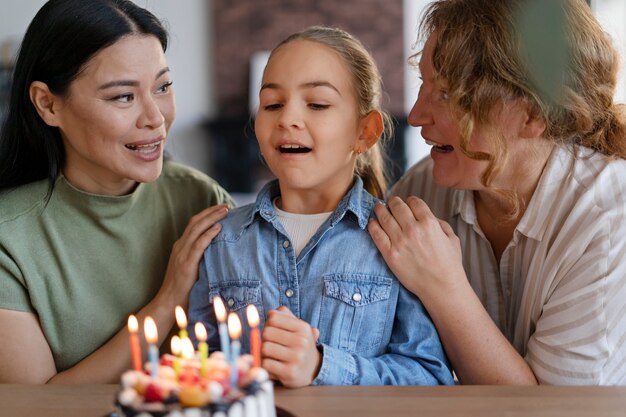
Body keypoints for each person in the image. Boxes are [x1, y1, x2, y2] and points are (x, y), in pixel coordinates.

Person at [368, 0, 626, 385]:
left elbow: (551, 412)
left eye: (449, 95)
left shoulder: (608, 218)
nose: (417, 115)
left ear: (535, 114)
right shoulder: (423, 192)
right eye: (425, 85)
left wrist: (444, 287)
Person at [188, 26, 453, 387]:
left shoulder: (398, 242)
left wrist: (321, 366)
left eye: (317, 104)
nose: (287, 119)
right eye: (273, 104)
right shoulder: (221, 241)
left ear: (365, 132)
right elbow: (191, 366)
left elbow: (432, 379)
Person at [0, 0, 233, 383]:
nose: (155, 118)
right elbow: (37, 407)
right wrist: (167, 300)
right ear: (48, 104)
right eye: (123, 96)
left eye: (163, 87)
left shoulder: (201, 200)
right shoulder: (10, 239)